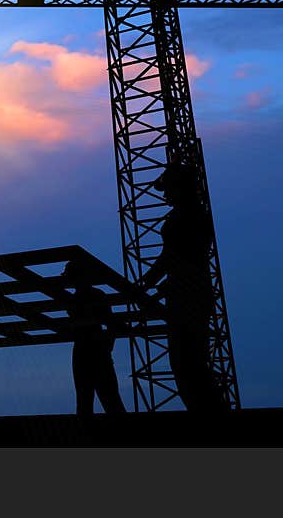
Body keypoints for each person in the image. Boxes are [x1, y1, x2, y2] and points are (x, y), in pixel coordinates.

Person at [139, 161, 226, 412]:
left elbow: (174, 256)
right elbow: (175, 257)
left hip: (188, 294)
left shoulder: (189, 216)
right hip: (187, 291)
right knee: (190, 364)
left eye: (169, 188)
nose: (166, 195)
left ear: (181, 187)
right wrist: (154, 282)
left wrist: (149, 282)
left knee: (188, 364)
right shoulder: (191, 214)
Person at [63, 260, 126, 417]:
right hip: (94, 348)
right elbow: (111, 324)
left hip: (85, 349)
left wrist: (107, 345)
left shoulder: (75, 300)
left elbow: (110, 324)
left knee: (88, 400)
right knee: (108, 399)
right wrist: (108, 345)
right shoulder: (94, 295)